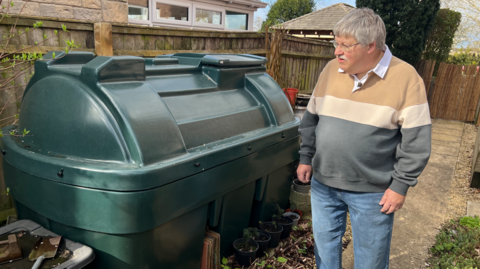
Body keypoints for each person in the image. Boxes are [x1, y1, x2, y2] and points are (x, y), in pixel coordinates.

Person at [296, 7, 431, 269]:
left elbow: (417, 141)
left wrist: (400, 185)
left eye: (346, 45)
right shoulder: (330, 70)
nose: (337, 51)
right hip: (324, 184)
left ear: (371, 46)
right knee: (324, 256)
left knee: (370, 262)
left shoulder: (406, 78)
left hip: (373, 193)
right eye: (336, 43)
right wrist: (306, 157)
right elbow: (311, 119)